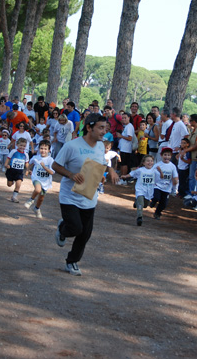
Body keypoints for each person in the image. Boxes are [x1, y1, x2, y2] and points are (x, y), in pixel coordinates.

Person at [53, 113, 118, 276]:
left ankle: (72, 262)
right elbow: (55, 165)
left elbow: (101, 163)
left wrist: (108, 171)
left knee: (85, 234)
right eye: (101, 128)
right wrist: (70, 174)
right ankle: (63, 228)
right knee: (75, 228)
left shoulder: (100, 146)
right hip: (70, 196)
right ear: (89, 128)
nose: (104, 132)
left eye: (106, 128)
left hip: (89, 196)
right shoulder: (71, 146)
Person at [120, 155, 156, 226]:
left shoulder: (154, 170)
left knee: (145, 205)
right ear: (143, 163)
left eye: (151, 161)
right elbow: (132, 174)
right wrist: (125, 176)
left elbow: (160, 178)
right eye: (148, 161)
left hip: (149, 191)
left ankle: (136, 202)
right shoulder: (140, 170)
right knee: (141, 204)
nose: (150, 162)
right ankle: (139, 217)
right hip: (140, 189)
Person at [24, 140, 55, 218]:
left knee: (41, 198)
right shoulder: (35, 158)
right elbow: (30, 164)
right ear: (38, 149)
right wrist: (28, 170)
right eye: (41, 148)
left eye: (45, 149)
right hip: (36, 177)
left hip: (46, 181)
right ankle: (30, 200)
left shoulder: (50, 160)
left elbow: (52, 172)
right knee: (38, 189)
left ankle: (37, 208)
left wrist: (44, 167)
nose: (43, 150)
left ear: (49, 150)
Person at [149, 147, 179, 220]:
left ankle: (157, 213)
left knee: (163, 203)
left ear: (171, 156)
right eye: (165, 155)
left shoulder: (172, 166)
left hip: (167, 188)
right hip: (157, 186)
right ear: (161, 155)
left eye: (168, 155)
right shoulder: (157, 165)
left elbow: (175, 177)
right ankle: (153, 201)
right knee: (156, 197)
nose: (167, 157)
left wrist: (175, 188)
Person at [4, 138, 30, 203]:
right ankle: (11, 181)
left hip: (19, 172)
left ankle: (14, 197)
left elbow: (26, 163)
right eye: (21, 145)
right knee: (9, 184)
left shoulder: (26, 154)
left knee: (18, 184)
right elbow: (8, 158)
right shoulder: (13, 151)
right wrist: (6, 164)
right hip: (11, 170)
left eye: (24, 146)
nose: (22, 147)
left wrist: (28, 170)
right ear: (17, 145)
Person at [117, 112, 135, 180]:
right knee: (122, 163)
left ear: (129, 118)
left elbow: (130, 138)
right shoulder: (126, 126)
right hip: (123, 148)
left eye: (125, 118)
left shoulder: (129, 126)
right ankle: (122, 177)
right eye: (123, 118)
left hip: (126, 148)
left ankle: (124, 178)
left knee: (124, 163)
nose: (124, 119)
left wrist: (121, 136)